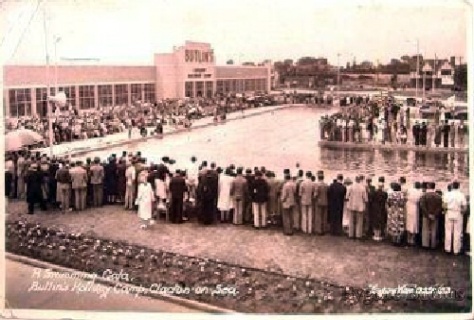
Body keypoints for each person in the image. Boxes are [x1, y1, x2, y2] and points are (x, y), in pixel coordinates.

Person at [443, 181, 467, 255]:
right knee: (457, 232)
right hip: (458, 213)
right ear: (459, 186)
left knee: (448, 231)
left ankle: (448, 248)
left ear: (452, 186)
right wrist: (461, 212)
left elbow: (444, 205)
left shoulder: (447, 194)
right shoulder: (461, 195)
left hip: (449, 212)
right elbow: (465, 207)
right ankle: (456, 250)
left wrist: (445, 211)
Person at [419, 182, 443, 249]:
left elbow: (422, 206)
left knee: (425, 230)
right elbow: (439, 207)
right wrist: (434, 214)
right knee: (434, 230)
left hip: (426, 215)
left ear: (428, 186)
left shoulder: (424, 195)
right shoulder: (438, 196)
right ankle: (433, 244)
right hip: (435, 215)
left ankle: (425, 244)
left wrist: (427, 214)